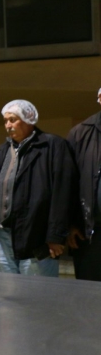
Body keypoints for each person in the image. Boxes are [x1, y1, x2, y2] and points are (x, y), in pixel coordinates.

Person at [0, 100, 76, 277]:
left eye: (13, 119)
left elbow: (63, 193)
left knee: (37, 296)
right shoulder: (4, 150)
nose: (8, 125)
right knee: (7, 294)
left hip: (36, 236)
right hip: (3, 235)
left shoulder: (52, 146)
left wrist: (55, 236)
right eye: (5, 120)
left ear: (29, 119)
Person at [67, 89, 101, 281]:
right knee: (90, 293)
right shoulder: (80, 133)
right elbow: (68, 185)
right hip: (90, 232)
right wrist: (71, 224)